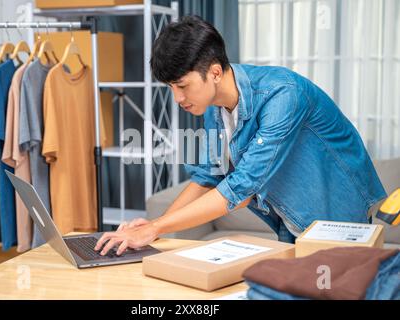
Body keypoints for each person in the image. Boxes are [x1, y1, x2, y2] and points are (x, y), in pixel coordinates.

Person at [94, 15, 386, 256]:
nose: (177, 98)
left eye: (182, 85)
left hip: (338, 222)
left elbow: (241, 189)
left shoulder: (283, 95)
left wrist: (155, 229)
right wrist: (154, 225)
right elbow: (209, 176)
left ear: (216, 72)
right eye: (170, 87)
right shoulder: (213, 107)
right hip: (291, 223)